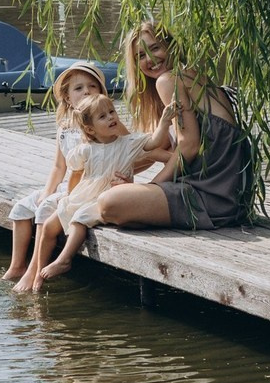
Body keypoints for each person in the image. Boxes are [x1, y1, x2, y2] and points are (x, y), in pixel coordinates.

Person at [96, 21, 252, 232]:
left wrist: (150, 187)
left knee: (108, 202)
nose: (150, 59)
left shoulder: (168, 80)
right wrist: (129, 174)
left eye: (155, 48)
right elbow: (169, 151)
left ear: (171, 46)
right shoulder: (191, 75)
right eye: (140, 56)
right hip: (230, 198)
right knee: (118, 208)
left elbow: (189, 147)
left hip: (208, 195)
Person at [32, 91, 174, 287]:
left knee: (79, 220)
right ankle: (39, 273)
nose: (111, 117)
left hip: (106, 198)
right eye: (103, 116)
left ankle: (64, 259)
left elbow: (155, 142)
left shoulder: (128, 143)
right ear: (90, 130)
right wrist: (69, 195)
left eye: (112, 112)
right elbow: (75, 173)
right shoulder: (86, 149)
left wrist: (165, 121)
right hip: (84, 194)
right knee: (49, 225)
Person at [3, 61, 108, 282]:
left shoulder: (99, 125)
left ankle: (34, 270)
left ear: (101, 92)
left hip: (85, 188)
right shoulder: (65, 126)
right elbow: (59, 167)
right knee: (22, 209)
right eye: (78, 88)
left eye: (92, 86)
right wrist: (46, 193)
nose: (86, 91)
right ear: (68, 97)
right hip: (65, 184)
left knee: (44, 213)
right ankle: (16, 266)